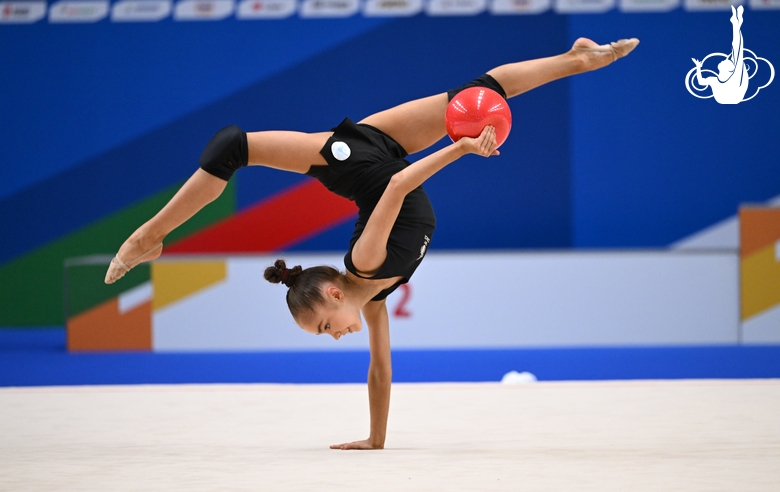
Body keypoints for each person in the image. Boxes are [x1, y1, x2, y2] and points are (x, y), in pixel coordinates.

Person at [105, 36, 639, 450]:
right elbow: (380, 370)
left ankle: (150, 235)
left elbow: (401, 184)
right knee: (474, 96)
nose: (331, 337)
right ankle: (577, 60)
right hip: (378, 151)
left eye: (321, 326)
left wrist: (463, 148)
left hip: (354, 162)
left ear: (334, 295)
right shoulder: (376, 297)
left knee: (232, 147)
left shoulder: (365, 262)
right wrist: (375, 439)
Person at [692, 5, 748, 104]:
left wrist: (736, 26)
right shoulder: (713, 80)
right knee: (736, 51)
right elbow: (701, 82)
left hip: (734, 97)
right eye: (727, 60)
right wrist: (698, 67)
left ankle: (736, 24)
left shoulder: (735, 77)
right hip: (726, 98)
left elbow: (737, 48)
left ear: (729, 69)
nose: (725, 59)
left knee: (737, 50)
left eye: (727, 61)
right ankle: (736, 24)